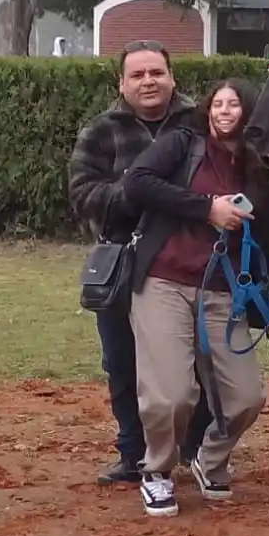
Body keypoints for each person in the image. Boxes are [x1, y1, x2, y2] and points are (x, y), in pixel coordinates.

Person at [121, 78, 269, 517]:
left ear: (250, 114)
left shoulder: (261, 170)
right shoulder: (182, 144)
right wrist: (205, 207)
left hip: (225, 292)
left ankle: (208, 459)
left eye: (235, 104)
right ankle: (156, 471)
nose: (225, 110)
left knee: (246, 396)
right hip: (164, 281)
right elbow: (137, 182)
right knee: (172, 395)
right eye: (218, 102)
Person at [68, 40, 213, 485]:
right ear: (122, 83)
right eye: (138, 75)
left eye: (156, 73)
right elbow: (82, 195)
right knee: (122, 361)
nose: (148, 81)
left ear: (172, 77)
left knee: (198, 363)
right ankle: (133, 453)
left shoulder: (200, 123)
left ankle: (192, 450)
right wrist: (138, 190)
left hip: (189, 261)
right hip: (124, 266)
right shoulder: (101, 130)